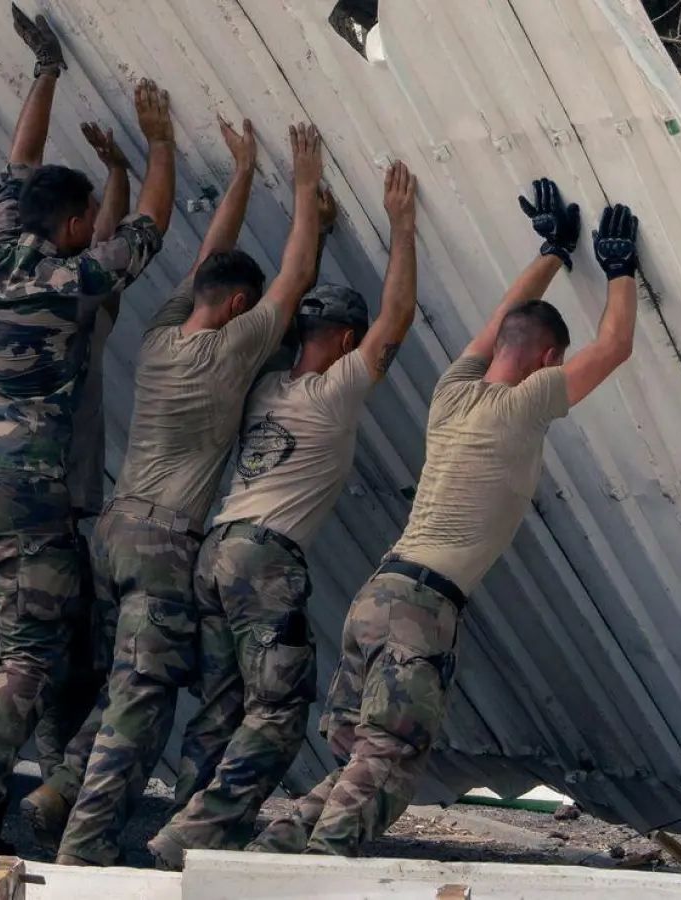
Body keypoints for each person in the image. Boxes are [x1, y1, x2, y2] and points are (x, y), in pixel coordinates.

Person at [248, 179, 644, 857]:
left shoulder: (451, 392)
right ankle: (311, 873)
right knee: (387, 765)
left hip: (375, 598)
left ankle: (264, 856)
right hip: (419, 610)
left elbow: (499, 323)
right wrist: (621, 271)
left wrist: (553, 252)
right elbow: (611, 349)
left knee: (358, 763)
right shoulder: (526, 405)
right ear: (547, 362)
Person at [0, 6, 174, 872]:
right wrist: (159, 147)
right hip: (27, 498)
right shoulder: (71, 280)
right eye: (87, 216)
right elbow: (149, 233)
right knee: (27, 662)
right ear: (71, 228)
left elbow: (20, 167)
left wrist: (47, 73)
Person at [47, 120, 327, 868]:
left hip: (114, 527)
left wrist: (239, 174)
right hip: (168, 541)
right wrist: (306, 187)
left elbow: (207, 257)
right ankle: (83, 843)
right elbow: (296, 276)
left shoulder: (163, 335)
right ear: (238, 307)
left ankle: (62, 783)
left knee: (128, 673)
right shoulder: (234, 347)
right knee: (143, 698)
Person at [146, 160, 419, 869]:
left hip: (214, 555)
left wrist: (317, 233)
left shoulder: (268, 384)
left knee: (220, 704)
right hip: (265, 560)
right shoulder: (334, 392)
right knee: (276, 710)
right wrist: (401, 224)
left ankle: (189, 821)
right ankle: (198, 833)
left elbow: (298, 315)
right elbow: (397, 319)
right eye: (354, 338)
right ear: (345, 337)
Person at [31, 120, 134, 780]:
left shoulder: (2, 298)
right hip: (62, 514)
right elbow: (110, 258)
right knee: (77, 659)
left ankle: (47, 780)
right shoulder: (79, 326)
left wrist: (115, 181)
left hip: (15, 507)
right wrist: (124, 174)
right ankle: (59, 785)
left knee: (35, 661)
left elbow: (98, 255)